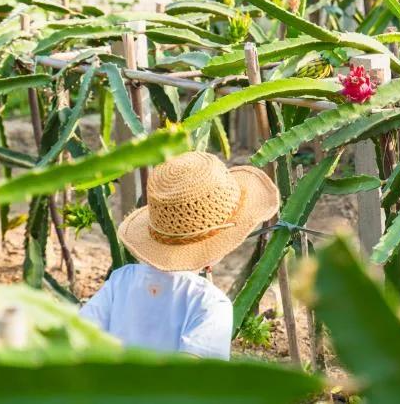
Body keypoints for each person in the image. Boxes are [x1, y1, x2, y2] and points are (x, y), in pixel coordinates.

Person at [79, 151, 280, 360]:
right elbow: (190, 380)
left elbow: (77, 339)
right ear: (218, 246)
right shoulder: (210, 304)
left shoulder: (120, 281)